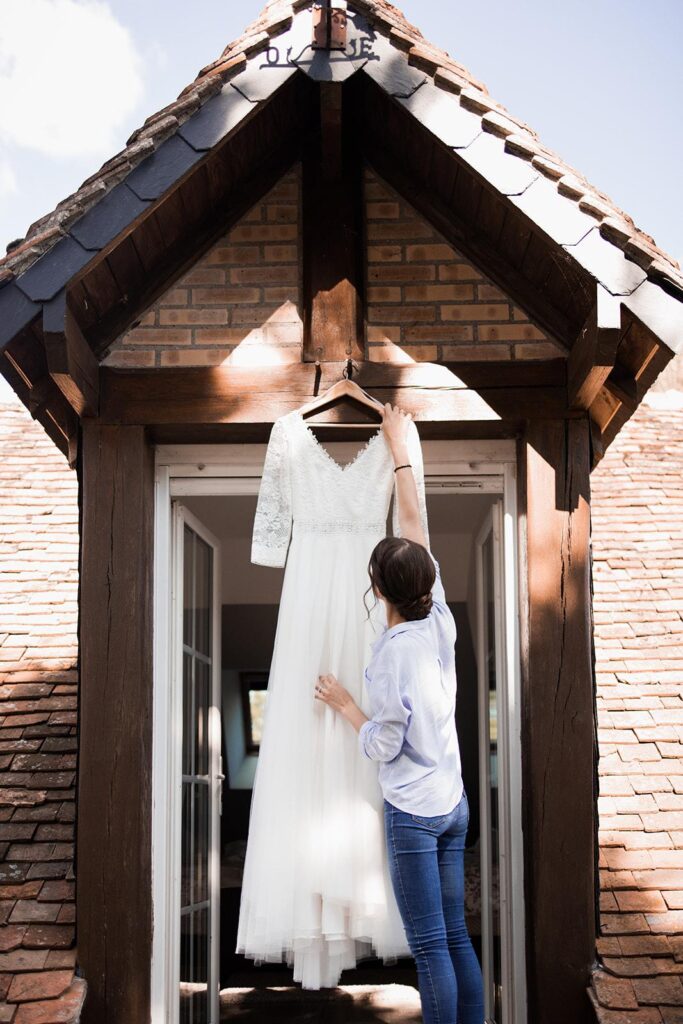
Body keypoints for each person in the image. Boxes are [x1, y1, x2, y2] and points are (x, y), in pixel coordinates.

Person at [314, 403, 485, 1024]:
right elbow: (415, 519)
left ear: (379, 589)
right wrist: (403, 448)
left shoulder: (391, 656)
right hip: (454, 803)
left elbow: (384, 744)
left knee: (431, 944)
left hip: (415, 812)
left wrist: (346, 706)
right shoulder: (438, 615)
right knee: (457, 937)